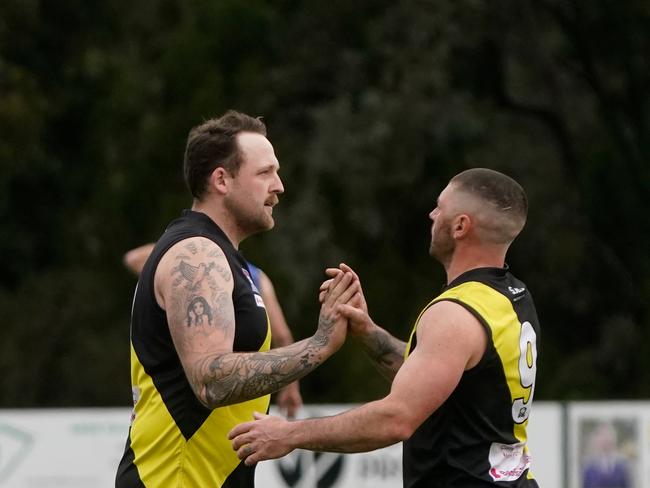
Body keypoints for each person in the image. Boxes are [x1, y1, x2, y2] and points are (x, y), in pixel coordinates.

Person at [229, 168, 541, 487]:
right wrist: (367, 331)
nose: (432, 214)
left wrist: (289, 434)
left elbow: (395, 419)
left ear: (460, 226)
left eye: (440, 207)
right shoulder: (512, 297)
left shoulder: (454, 313)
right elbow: (434, 383)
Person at [115, 110, 360, 487]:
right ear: (221, 180)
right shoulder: (197, 253)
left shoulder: (230, 261)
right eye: (265, 173)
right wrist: (319, 345)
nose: (279, 186)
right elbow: (210, 381)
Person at [123, 243, 303, 417]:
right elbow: (282, 335)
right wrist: (292, 387)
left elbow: (133, 258)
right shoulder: (256, 277)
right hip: (236, 409)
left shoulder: (254, 276)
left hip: (190, 404)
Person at [582, 422, 632, 488]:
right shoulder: (589, 467)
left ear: (614, 439)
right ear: (597, 441)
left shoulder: (622, 465)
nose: (605, 440)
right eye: (602, 436)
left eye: (608, 436)